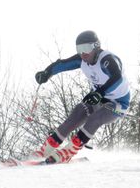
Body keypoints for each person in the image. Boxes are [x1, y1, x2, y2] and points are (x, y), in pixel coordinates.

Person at [32, 30, 130, 163]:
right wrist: (46, 73)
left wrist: (100, 93)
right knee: (78, 112)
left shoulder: (107, 60)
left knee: (95, 119)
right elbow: (62, 64)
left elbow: (117, 78)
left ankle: (70, 150)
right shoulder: (82, 59)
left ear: (96, 47)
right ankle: (46, 149)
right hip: (98, 97)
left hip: (118, 102)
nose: (83, 53)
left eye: (86, 48)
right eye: (79, 49)